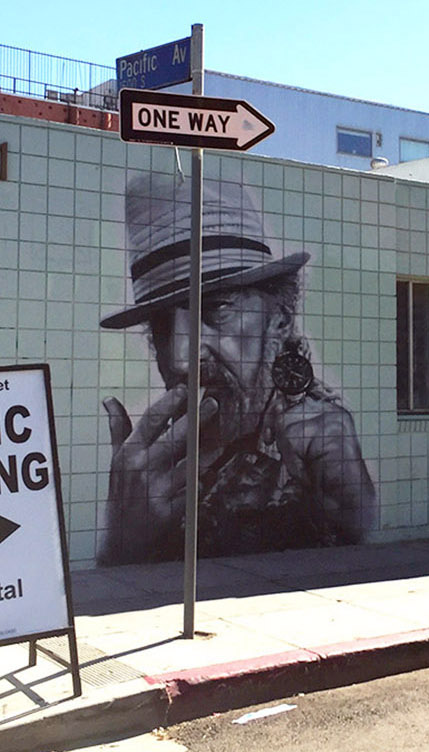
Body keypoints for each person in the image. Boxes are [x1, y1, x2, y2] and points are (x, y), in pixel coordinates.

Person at [97, 172, 377, 565]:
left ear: (279, 318)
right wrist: (125, 539)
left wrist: (344, 505)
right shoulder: (150, 464)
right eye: (161, 326)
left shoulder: (316, 441)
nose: (180, 359)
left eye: (217, 309)